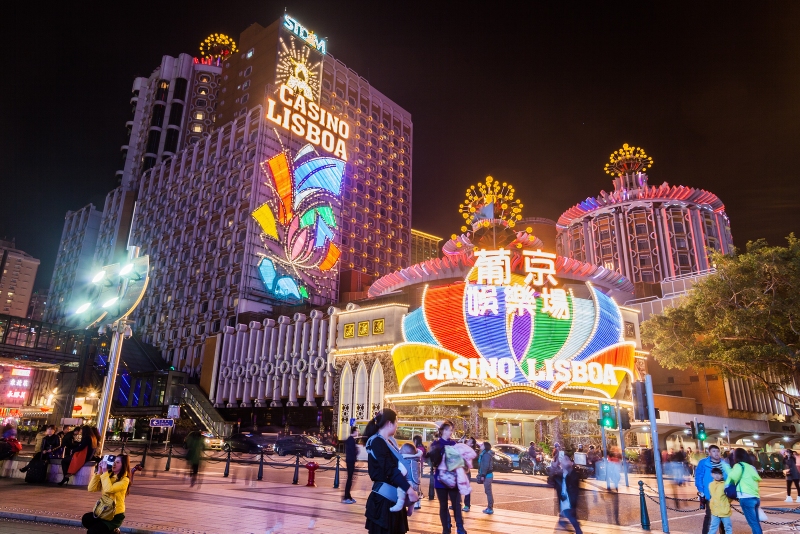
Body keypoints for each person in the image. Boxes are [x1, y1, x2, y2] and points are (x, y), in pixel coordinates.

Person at [364, 409, 418, 534]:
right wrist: (410, 491)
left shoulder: (388, 442)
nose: (397, 426)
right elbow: (390, 470)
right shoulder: (377, 442)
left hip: (392, 499)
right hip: (383, 501)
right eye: (396, 422)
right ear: (389, 423)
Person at [431, 421, 466, 534]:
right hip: (440, 480)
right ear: (442, 431)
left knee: (456, 504)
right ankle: (446, 528)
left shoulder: (454, 444)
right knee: (443, 505)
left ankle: (460, 527)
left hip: (453, 479)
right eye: (448, 430)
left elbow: (459, 461)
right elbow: (432, 461)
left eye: (451, 430)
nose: (450, 432)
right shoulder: (436, 444)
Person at [82, 454, 132, 534]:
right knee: (86, 519)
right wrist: (99, 472)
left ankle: (112, 530)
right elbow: (91, 488)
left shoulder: (125, 480)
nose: (114, 464)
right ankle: (111, 531)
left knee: (92, 531)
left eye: (118, 462)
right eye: (114, 462)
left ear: (124, 465)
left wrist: (104, 472)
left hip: (115, 515)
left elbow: (109, 489)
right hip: (103, 510)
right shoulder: (108, 475)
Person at [695, 444, 730, 534]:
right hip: (709, 494)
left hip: (723, 495)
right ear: (709, 453)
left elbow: (729, 476)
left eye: (717, 451)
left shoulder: (724, 463)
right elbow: (698, 477)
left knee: (723, 516)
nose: (716, 453)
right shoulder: (703, 463)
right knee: (709, 516)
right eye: (714, 451)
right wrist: (701, 491)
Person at [728, 447, 763, 534]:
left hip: (745, 497)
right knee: (756, 522)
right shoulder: (752, 467)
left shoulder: (739, 465)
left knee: (753, 523)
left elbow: (733, 477)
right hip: (755, 497)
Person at [551, 453, 583, 534]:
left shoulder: (574, 474)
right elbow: (550, 480)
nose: (563, 461)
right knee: (572, 524)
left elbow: (575, 491)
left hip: (569, 505)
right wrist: (554, 466)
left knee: (574, 525)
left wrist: (573, 506)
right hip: (563, 504)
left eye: (566, 459)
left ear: (571, 463)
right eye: (562, 459)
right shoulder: (559, 475)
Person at [707, 467, 733, 534]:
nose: (717, 475)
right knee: (713, 527)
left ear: (722, 475)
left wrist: (726, 502)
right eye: (715, 474)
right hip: (715, 510)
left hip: (724, 510)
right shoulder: (711, 485)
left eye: (719, 474)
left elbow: (730, 496)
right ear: (712, 474)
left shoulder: (725, 484)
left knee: (728, 527)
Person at [399, 443, 422, 513]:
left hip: (408, 485)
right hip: (416, 486)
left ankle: (399, 506)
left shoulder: (403, 462)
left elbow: (401, 474)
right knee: (412, 498)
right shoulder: (416, 462)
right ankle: (410, 510)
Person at [477, 441, 494, 515]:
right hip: (487, 475)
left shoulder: (486, 455)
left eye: (482, 445)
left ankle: (490, 508)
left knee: (488, 492)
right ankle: (489, 507)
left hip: (487, 475)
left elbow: (485, 466)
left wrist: (483, 475)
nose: (480, 446)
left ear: (485, 446)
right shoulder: (484, 454)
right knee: (488, 491)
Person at [343, 426, 358, 504]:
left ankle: (348, 496)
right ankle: (346, 497)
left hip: (350, 461)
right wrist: (356, 451)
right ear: (354, 431)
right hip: (350, 461)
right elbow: (352, 451)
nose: (358, 432)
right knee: (349, 479)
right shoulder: (351, 440)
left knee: (350, 479)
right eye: (357, 431)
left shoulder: (350, 439)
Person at [411, 435, 425, 509]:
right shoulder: (422, 448)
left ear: (415, 441)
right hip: (420, 467)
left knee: (415, 484)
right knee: (418, 484)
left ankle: (416, 502)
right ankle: (418, 502)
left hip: (415, 468)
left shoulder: (416, 449)